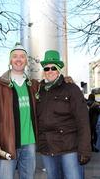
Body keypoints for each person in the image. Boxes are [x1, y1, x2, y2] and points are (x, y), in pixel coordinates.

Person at [0, 44, 39, 179]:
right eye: (15, 56)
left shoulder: (33, 84)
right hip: (6, 142)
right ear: (10, 60)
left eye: (22, 56)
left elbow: (51, 88)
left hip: (29, 143)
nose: (18, 59)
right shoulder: (0, 84)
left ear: (26, 61)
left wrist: (66, 81)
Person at [36, 50, 91, 179]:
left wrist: (84, 149)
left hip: (69, 147)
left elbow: (83, 121)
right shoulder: (40, 90)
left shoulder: (71, 89)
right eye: (47, 68)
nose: (50, 70)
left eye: (53, 67)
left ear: (59, 69)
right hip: (47, 147)